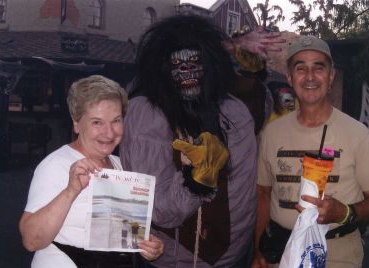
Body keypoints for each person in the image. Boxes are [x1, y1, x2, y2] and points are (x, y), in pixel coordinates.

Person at [119, 15, 283, 268]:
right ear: (164, 69)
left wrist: (249, 71)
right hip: (176, 259)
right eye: (179, 65)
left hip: (237, 256)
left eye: (195, 62)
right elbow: (156, 208)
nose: (188, 72)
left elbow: (259, 112)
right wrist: (196, 183)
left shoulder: (233, 109)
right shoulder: (146, 113)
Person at [252, 35, 369, 268]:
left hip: (336, 253)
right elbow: (263, 195)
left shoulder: (356, 133)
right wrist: (258, 251)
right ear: (289, 76)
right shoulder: (272, 132)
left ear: (331, 76)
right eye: (300, 68)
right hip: (279, 250)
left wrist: (346, 212)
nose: (310, 77)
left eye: (319, 67)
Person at [19, 75, 164, 268]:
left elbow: (123, 232)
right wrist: (71, 191)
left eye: (116, 120)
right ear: (77, 124)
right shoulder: (57, 165)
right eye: (97, 122)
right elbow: (31, 240)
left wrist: (149, 245)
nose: (109, 132)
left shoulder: (121, 165)